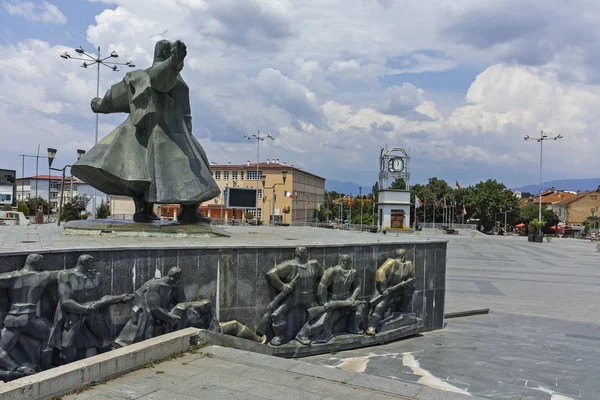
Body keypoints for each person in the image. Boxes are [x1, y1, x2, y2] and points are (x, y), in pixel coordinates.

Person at [72, 39, 219, 223]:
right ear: (167, 54)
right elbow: (162, 81)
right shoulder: (163, 76)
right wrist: (175, 63)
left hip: (139, 136)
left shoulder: (137, 78)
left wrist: (100, 104)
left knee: (140, 176)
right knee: (196, 171)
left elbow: (116, 96)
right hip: (173, 136)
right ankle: (186, 211)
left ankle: (143, 210)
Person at [48, 255, 133, 363]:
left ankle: (107, 361)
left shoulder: (95, 276)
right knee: (66, 345)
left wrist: (120, 298)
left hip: (92, 312)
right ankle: (62, 368)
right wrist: (85, 308)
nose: (94, 265)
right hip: (73, 314)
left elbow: (102, 298)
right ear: (84, 263)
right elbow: (65, 302)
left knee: (105, 339)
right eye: (91, 263)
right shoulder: (66, 276)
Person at [0, 254, 60, 375]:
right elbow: (62, 274)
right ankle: (45, 368)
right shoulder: (42, 276)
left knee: (2, 349)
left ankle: (17, 368)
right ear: (37, 264)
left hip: (12, 320)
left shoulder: (11, 276)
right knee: (50, 335)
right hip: (29, 319)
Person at [296, 254, 366, 344]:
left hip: (347, 300)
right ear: (342, 261)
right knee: (323, 320)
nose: (348, 263)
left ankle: (353, 327)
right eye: (347, 261)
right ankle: (302, 334)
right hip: (332, 300)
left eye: (349, 261)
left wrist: (353, 298)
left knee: (360, 307)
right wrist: (323, 302)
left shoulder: (353, 272)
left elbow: (358, 287)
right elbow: (322, 286)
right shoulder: (332, 271)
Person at [114, 267, 185, 347]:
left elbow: (181, 301)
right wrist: (170, 317)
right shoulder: (155, 284)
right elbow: (153, 308)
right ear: (174, 276)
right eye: (178, 277)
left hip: (162, 314)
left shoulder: (174, 285)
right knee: (144, 336)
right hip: (147, 314)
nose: (179, 280)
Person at [265, 247, 321, 346]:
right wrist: (282, 286)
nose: (306, 254)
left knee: (318, 314)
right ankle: (279, 336)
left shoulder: (314, 264)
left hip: (309, 297)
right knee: (277, 315)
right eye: (303, 252)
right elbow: (271, 273)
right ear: (298, 254)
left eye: (306, 252)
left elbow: (323, 277)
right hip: (293, 297)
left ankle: (303, 334)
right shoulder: (290, 265)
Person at [366, 249, 415, 335]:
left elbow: (411, 277)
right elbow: (380, 273)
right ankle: (371, 327)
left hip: (400, 288)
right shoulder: (391, 262)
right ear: (403, 256)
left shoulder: (409, 264)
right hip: (388, 289)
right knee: (379, 306)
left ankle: (403, 312)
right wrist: (383, 289)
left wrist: (406, 283)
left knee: (409, 292)